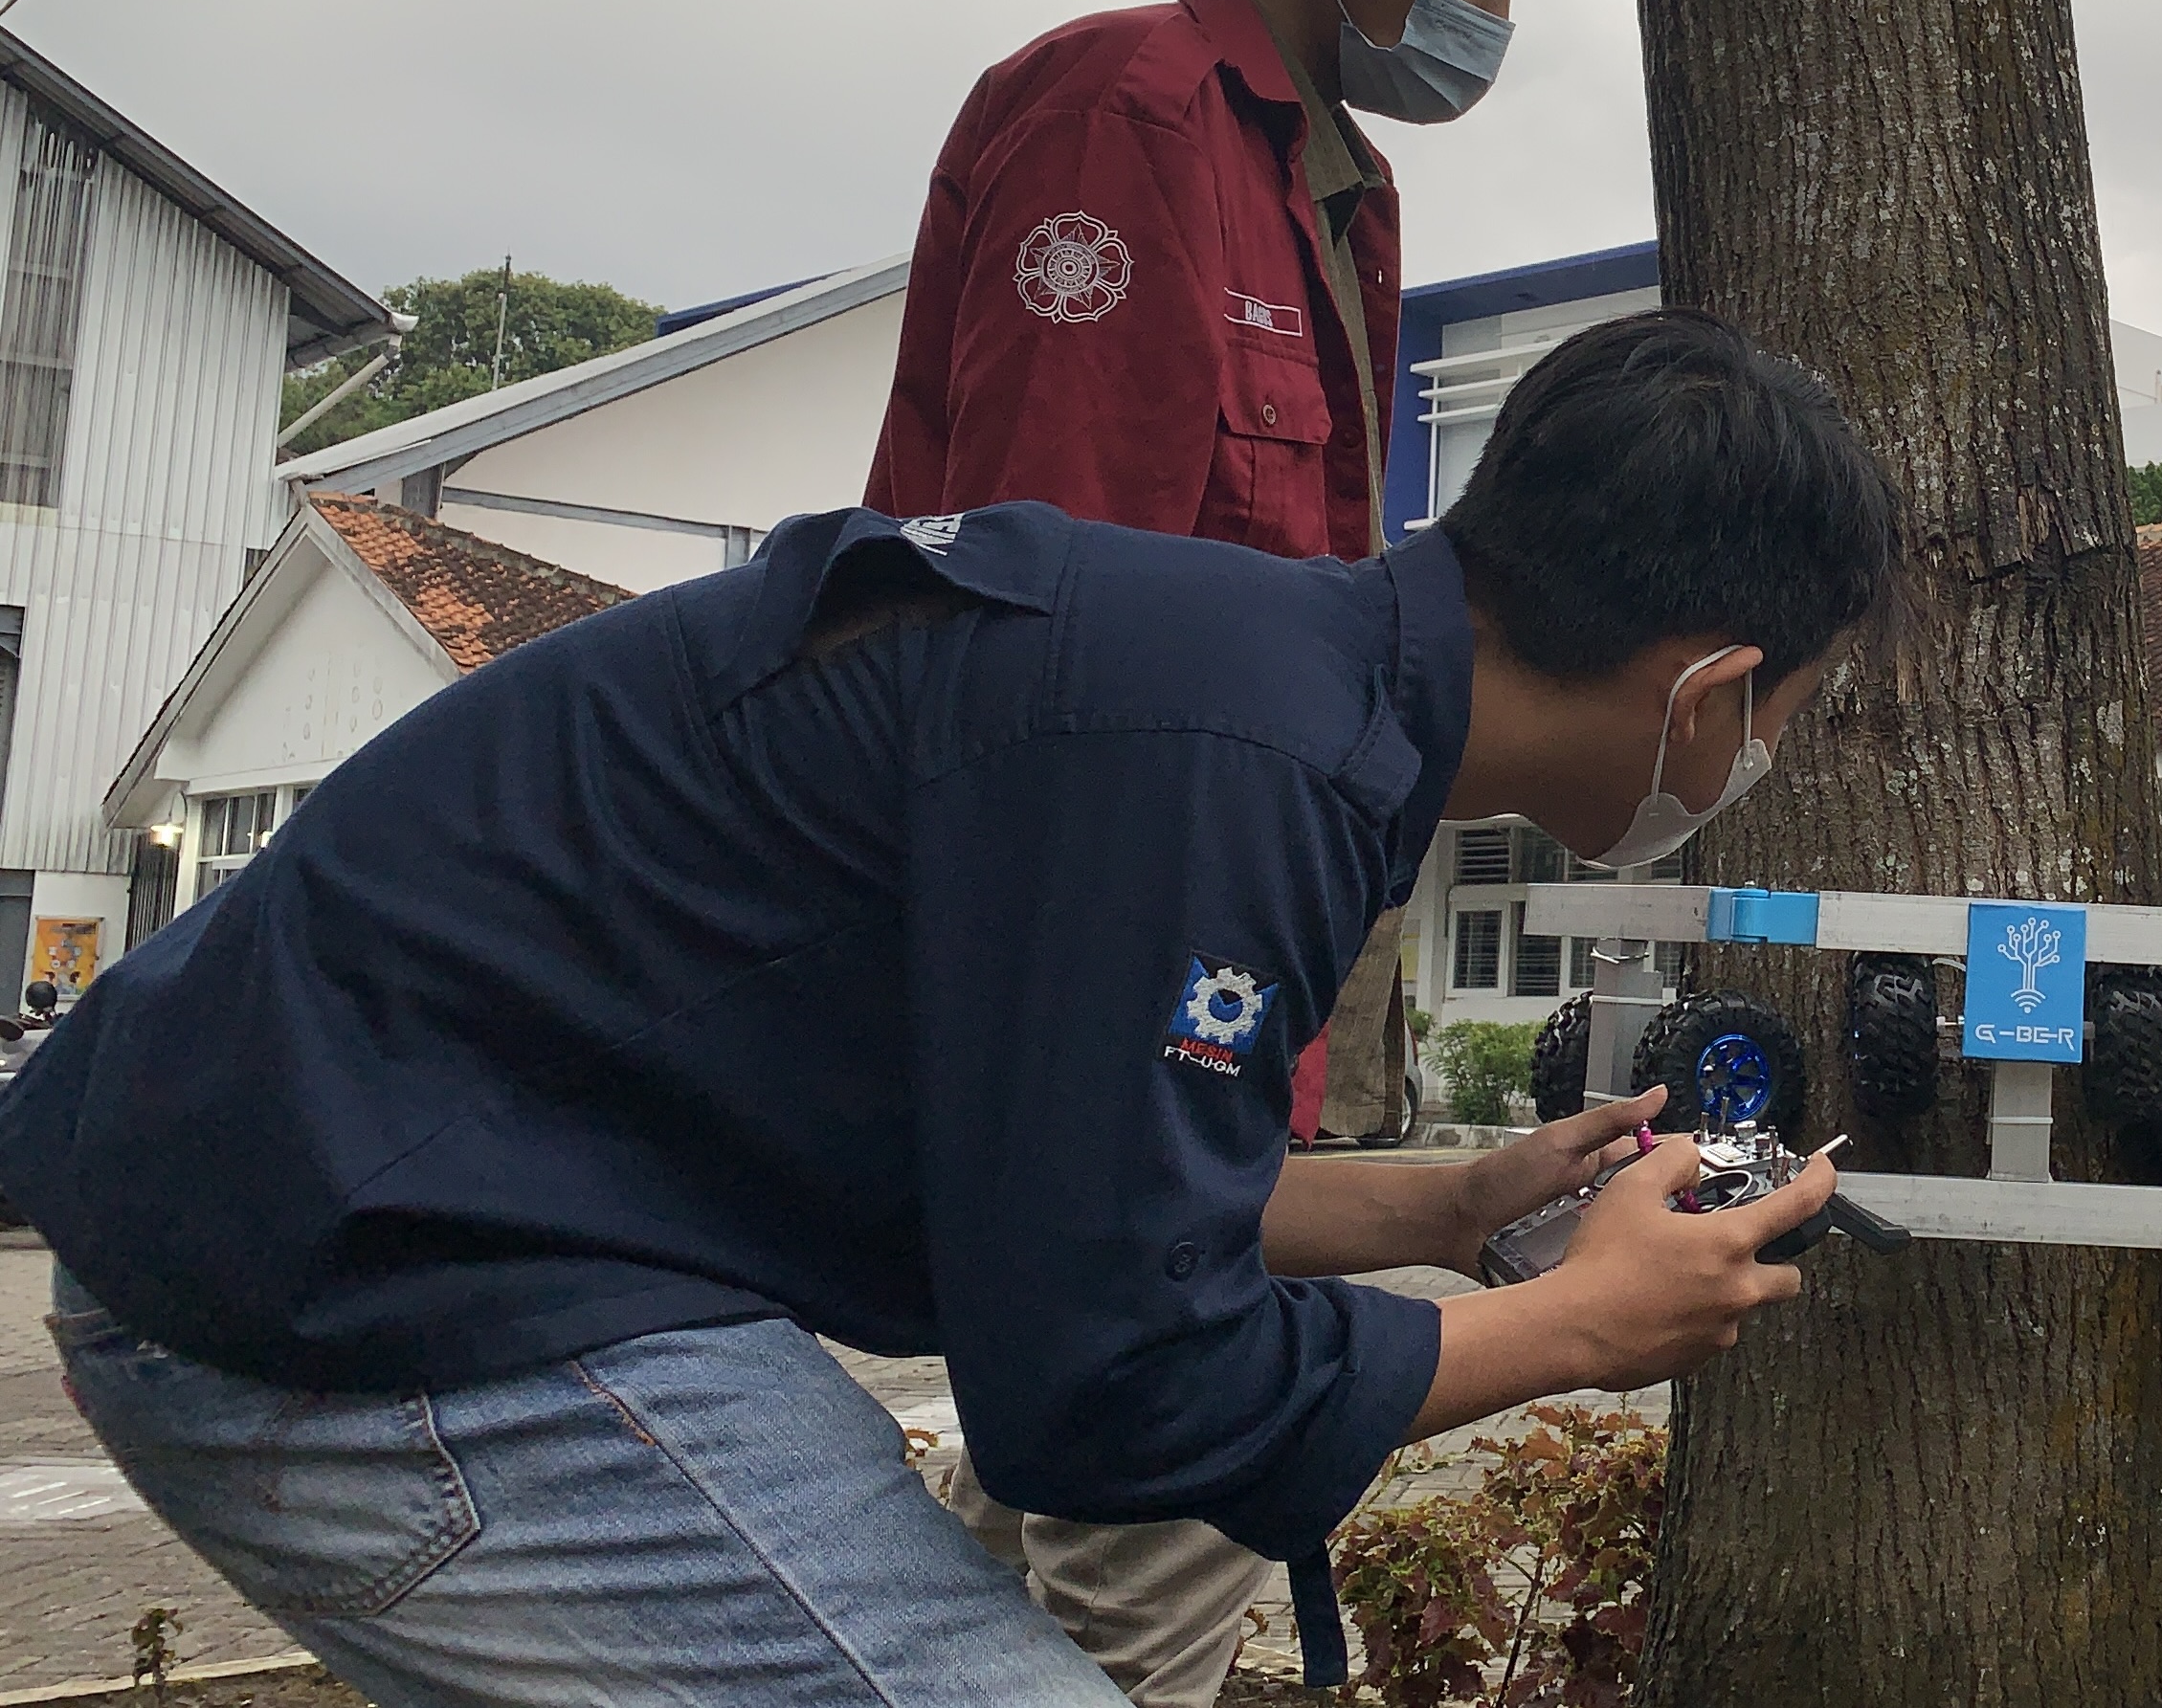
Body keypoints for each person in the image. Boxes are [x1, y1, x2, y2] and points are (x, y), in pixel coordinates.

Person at [0, 311, 1891, 1708]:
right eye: (1793, 709)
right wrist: (1579, 1325)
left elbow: (1072, 1188)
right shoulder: (1236, 762)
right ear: (1714, 691)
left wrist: (1451, 1208)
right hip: (360, 1267)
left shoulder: (1262, 696)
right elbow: (1111, 1392)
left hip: (315, 1185)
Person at [860, 0, 1615, 1699]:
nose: (1492, 22)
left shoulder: (1349, 204)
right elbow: (1052, 640)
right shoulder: (1121, 119)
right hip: (1113, 969)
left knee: (1031, 1554)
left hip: (1225, 973)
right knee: (1162, 1569)